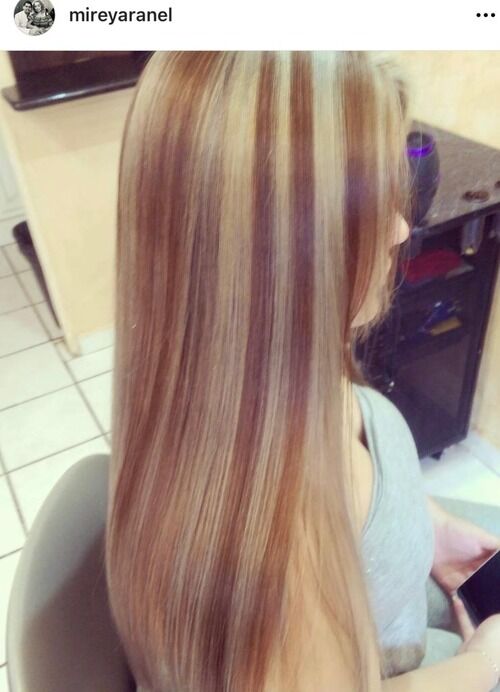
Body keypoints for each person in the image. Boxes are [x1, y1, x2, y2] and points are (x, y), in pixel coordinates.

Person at [104, 52, 500, 691]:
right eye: (372, 206)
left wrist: (429, 527)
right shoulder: (269, 550)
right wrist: (483, 666)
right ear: (278, 250)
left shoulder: (264, 375)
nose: (401, 230)